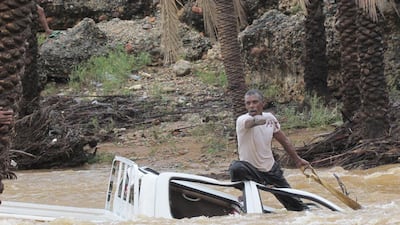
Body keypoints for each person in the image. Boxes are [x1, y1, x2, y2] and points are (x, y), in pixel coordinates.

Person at [229, 89, 310, 211]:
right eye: (248, 103)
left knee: (298, 207)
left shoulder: (270, 118)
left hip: (271, 170)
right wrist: (265, 120)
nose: (251, 106)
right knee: (236, 168)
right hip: (250, 171)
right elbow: (252, 122)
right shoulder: (242, 120)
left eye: (255, 102)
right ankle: (247, 193)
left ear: (262, 103)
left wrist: (297, 160)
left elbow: (284, 141)